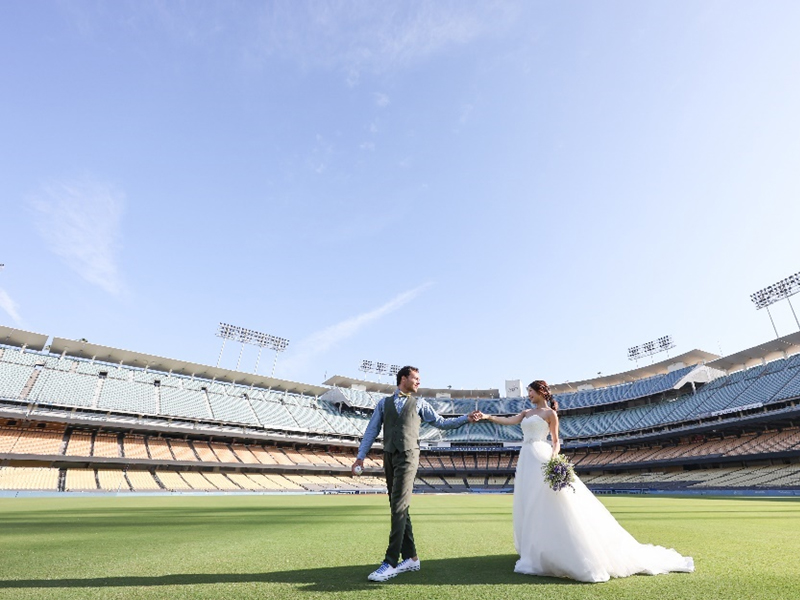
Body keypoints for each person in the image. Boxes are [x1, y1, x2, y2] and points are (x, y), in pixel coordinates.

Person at [479, 380, 694, 583]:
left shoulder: (550, 413)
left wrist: (553, 460)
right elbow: (507, 420)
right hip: (526, 458)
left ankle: (564, 551)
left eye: (531, 391)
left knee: (549, 501)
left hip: (541, 456)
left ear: (541, 392)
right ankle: (536, 550)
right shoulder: (526, 413)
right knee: (530, 502)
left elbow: (556, 442)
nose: (529, 395)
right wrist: (487, 416)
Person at [352, 366, 481, 582]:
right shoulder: (383, 404)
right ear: (404, 378)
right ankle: (411, 558)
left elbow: (441, 423)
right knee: (397, 506)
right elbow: (372, 430)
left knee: (399, 506)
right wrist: (360, 456)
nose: (419, 382)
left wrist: (465, 419)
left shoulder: (420, 403)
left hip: (408, 456)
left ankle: (391, 562)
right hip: (389, 456)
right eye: (416, 378)